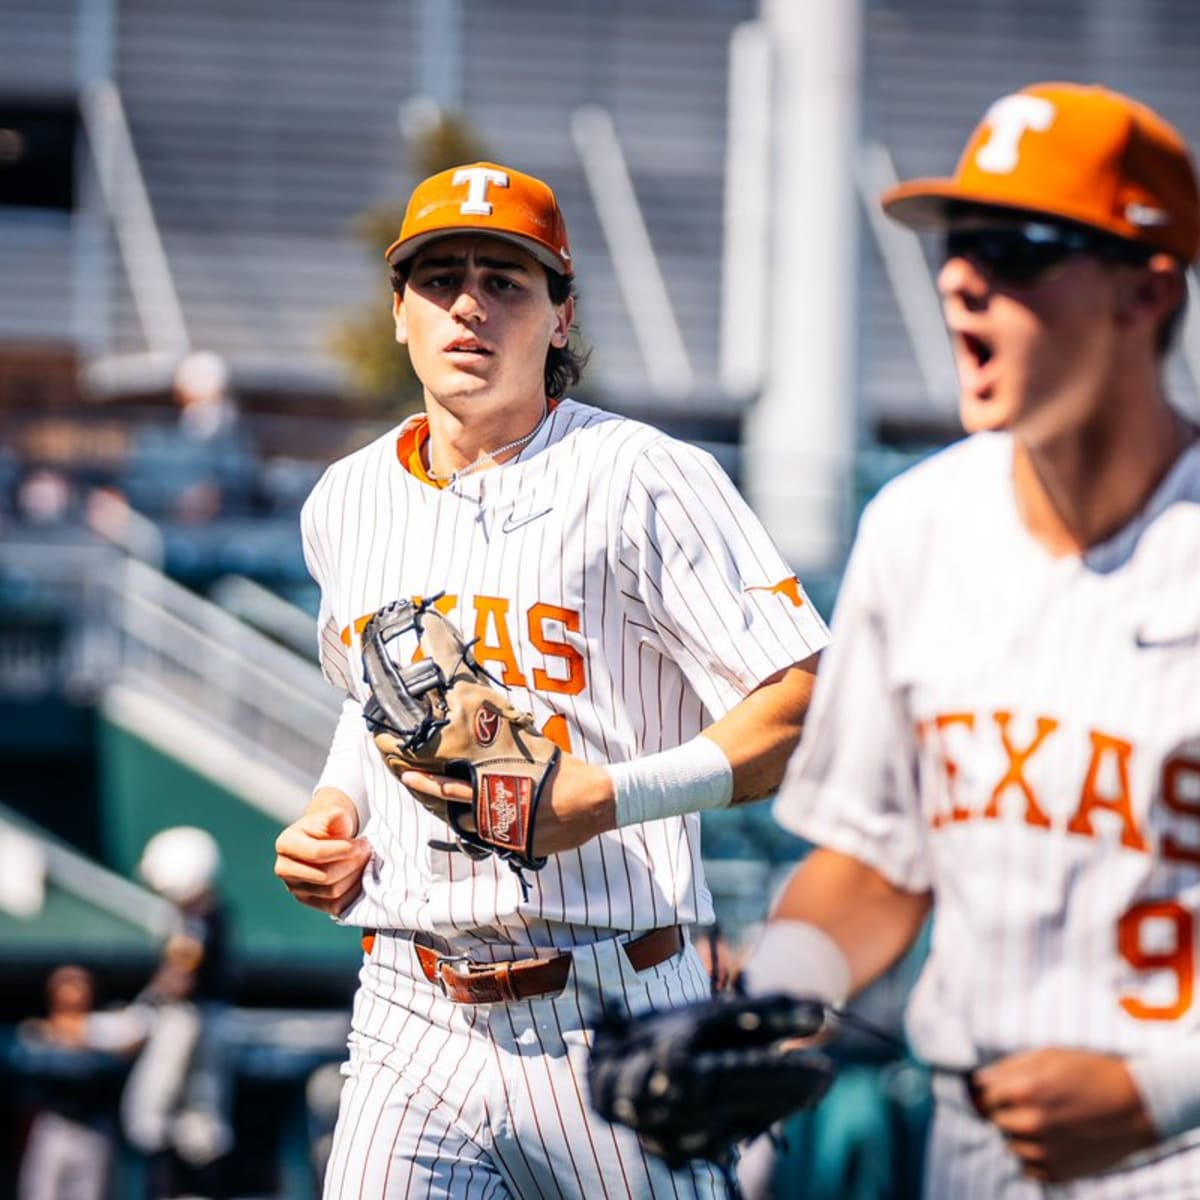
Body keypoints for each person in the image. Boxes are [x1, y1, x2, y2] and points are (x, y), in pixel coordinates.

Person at [273, 160, 829, 1198]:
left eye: (507, 280)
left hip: (612, 1001)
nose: (469, 304)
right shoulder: (344, 502)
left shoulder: (644, 477)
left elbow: (803, 707)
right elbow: (371, 697)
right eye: (438, 279)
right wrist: (334, 806)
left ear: (561, 318)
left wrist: (610, 797)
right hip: (410, 1001)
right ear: (400, 313)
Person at [744, 82, 1200, 1197]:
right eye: (956, 244)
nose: (960, 275)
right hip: (971, 1146)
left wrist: (1170, 1089)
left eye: (1018, 247)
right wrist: (758, 1019)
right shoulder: (916, 526)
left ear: (1146, 292)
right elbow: (876, 857)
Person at [16, 965, 150, 1200]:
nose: (74, 992)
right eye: (67, 985)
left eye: (80, 984)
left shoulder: (104, 1028)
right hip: (55, 1126)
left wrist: (87, 1041)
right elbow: (35, 1060)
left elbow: (132, 1041)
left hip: (93, 1128)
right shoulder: (37, 1033)